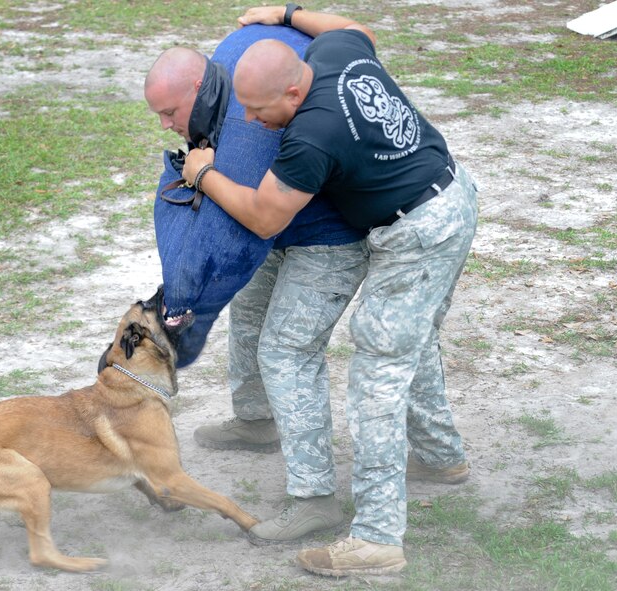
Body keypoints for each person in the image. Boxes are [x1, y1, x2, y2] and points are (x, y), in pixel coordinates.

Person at [182, 5, 478, 577]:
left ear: (293, 93)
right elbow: (355, 29)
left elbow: (266, 217)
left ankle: (376, 539)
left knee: (377, 374)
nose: (250, 118)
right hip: (454, 197)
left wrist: (204, 174)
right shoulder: (335, 54)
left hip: (416, 234)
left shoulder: (310, 137)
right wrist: (287, 11)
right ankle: (443, 458)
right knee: (409, 343)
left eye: (259, 110)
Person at [144, 26, 370, 543]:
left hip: (327, 239)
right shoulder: (231, 79)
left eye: (170, 113)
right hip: (279, 229)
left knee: (285, 351)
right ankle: (255, 421)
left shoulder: (247, 132)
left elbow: (257, 221)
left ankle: (316, 500)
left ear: (198, 89)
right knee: (248, 313)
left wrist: (202, 176)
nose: (165, 125)